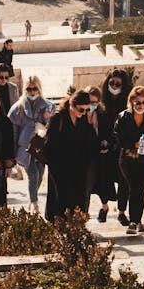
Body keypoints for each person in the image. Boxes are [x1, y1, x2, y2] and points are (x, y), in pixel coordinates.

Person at [114, 86, 144, 236]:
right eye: (137, 103)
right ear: (131, 102)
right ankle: (134, 221)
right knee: (134, 187)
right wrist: (132, 144)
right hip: (128, 159)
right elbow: (118, 137)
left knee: (141, 189)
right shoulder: (123, 117)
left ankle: (137, 220)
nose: (140, 105)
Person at [44, 90, 98, 222]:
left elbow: (90, 142)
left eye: (86, 109)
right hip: (60, 169)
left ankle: (75, 231)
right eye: (81, 109)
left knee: (78, 203)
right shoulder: (58, 119)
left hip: (78, 170)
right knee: (60, 202)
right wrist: (55, 170)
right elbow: (49, 147)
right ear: (72, 105)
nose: (83, 113)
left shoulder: (84, 120)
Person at [9, 75, 52, 214]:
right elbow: (13, 131)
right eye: (29, 89)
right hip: (25, 148)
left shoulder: (47, 106)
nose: (32, 92)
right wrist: (14, 152)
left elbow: (53, 128)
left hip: (41, 147)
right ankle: (34, 202)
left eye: (34, 89)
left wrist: (47, 119)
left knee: (39, 176)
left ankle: (32, 198)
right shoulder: (18, 108)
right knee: (33, 175)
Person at [101, 68, 134, 224]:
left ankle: (121, 212)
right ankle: (104, 207)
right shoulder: (103, 102)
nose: (114, 86)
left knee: (123, 181)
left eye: (117, 84)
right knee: (104, 179)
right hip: (106, 148)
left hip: (122, 147)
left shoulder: (129, 105)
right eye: (111, 82)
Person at [86, 86, 117, 223]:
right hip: (86, 155)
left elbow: (110, 133)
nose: (92, 105)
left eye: (95, 102)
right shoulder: (81, 113)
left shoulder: (103, 114)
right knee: (86, 186)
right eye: (90, 102)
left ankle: (104, 207)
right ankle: (83, 214)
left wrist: (106, 143)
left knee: (102, 184)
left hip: (101, 155)